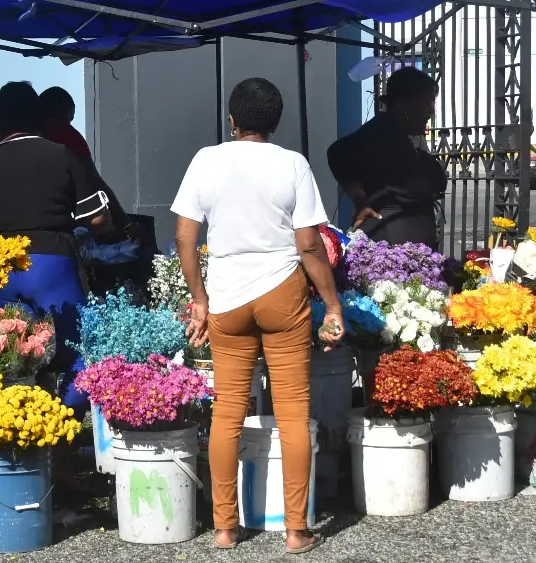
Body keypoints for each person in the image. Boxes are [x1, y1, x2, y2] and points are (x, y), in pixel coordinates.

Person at [171, 77, 344, 554]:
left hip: (226, 295)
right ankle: (295, 531)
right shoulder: (292, 163)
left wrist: (199, 298)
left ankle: (225, 528)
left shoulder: (206, 160)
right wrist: (331, 304)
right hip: (282, 293)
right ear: (276, 121)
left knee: (227, 411)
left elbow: (185, 236)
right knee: (292, 413)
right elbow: (309, 243)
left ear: (232, 120)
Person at [0, 81, 110, 413]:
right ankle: (64, 426)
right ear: (38, 118)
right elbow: (99, 220)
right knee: (77, 354)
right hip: (54, 265)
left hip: (3, 272)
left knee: (13, 357)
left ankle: (20, 429)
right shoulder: (62, 155)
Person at [327, 67, 447, 249]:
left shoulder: (403, 135)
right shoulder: (383, 132)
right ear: (404, 104)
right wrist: (359, 198)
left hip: (404, 245)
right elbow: (337, 152)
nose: (431, 111)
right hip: (393, 247)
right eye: (428, 102)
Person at [39, 86, 142, 242]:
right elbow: (94, 182)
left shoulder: (16, 145)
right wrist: (127, 224)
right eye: (69, 118)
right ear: (64, 113)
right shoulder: (67, 136)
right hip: (57, 234)